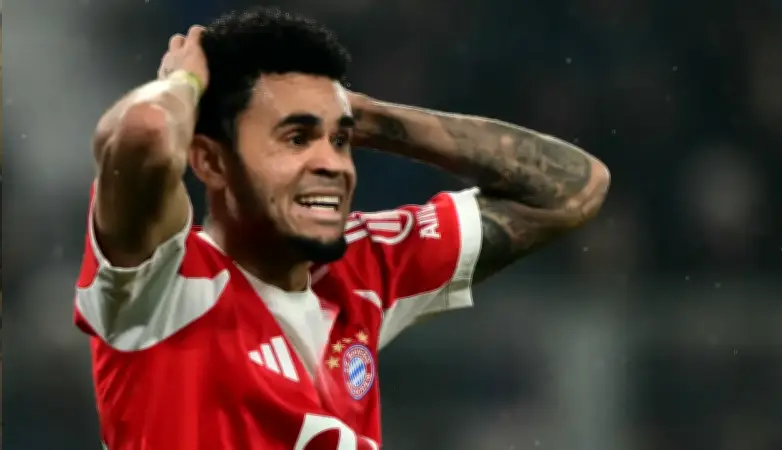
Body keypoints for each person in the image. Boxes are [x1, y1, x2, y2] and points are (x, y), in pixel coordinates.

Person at [74, 7, 610, 450]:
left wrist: (366, 117)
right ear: (212, 162)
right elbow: (146, 131)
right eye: (296, 138)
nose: (332, 163)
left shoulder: (365, 265)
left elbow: (571, 190)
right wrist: (185, 81)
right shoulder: (160, 287)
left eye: (340, 140)